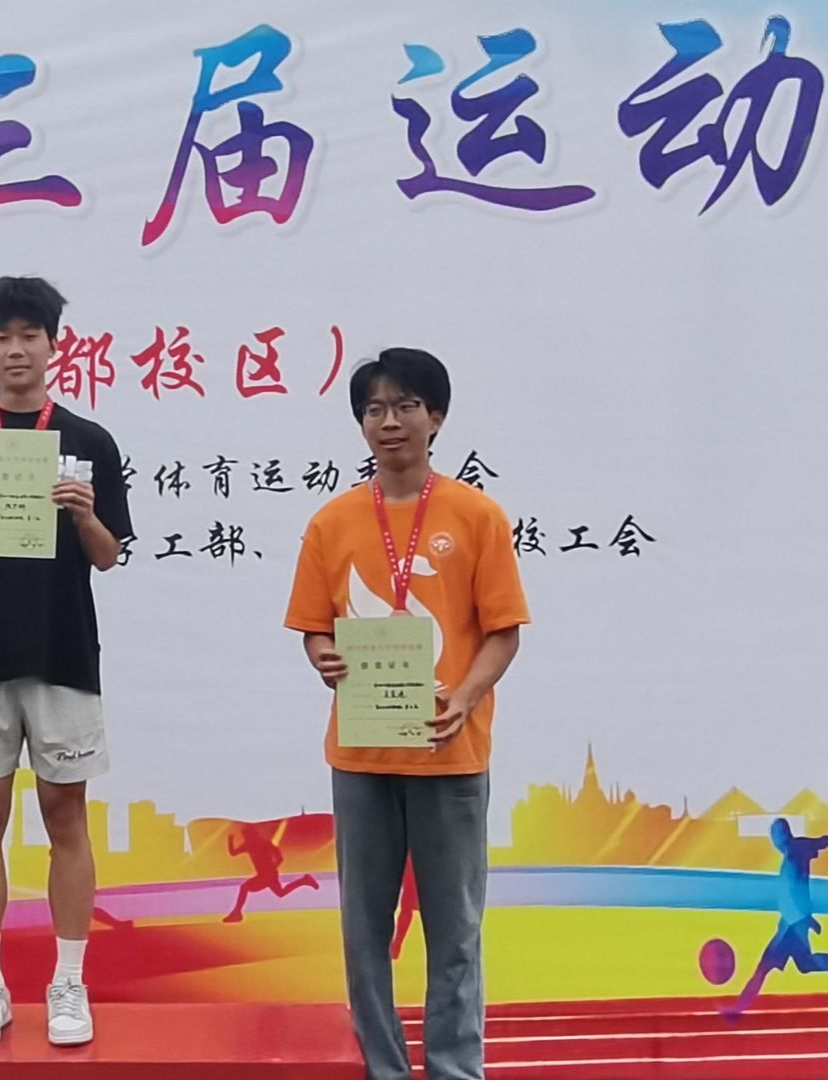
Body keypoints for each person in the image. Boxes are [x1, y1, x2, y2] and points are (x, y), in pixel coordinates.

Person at [284, 348, 529, 1080]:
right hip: (362, 757)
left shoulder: (477, 515)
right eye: (374, 409)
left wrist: (465, 697)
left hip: (449, 753)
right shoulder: (331, 522)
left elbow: (503, 632)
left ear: (436, 417)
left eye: (405, 406)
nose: (388, 422)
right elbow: (315, 628)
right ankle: (382, 1067)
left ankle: (454, 1066)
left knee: (455, 928)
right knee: (365, 929)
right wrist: (324, 658)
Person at [0, 275, 131, 1049]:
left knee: (65, 815)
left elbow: (108, 556)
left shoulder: (88, 441)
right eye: (1, 337)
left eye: (28, 336)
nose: (16, 349)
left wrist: (85, 516)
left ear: (52, 345)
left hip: (63, 655)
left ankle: (68, 981)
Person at [720, 818, 828, 1020]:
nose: (775, 840)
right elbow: (818, 843)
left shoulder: (792, 854)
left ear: (780, 836)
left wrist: (805, 918)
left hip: (792, 924)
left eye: (775, 835)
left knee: (764, 967)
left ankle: (737, 1010)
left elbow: (794, 891)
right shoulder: (799, 847)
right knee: (805, 964)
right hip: (791, 922)